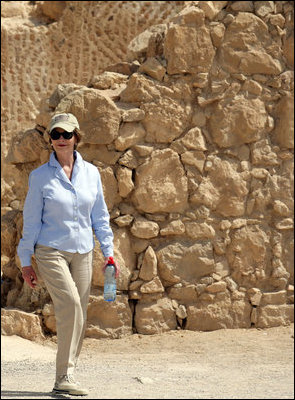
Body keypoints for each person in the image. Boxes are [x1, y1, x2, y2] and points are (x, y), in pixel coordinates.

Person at [17, 112, 119, 396]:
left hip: (84, 250)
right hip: (50, 250)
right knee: (71, 305)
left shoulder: (92, 174)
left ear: (76, 138)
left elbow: (100, 217)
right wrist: (26, 261)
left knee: (80, 314)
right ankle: (62, 377)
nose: (61, 139)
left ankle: (68, 374)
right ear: (50, 139)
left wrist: (109, 254)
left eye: (67, 134)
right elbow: (32, 220)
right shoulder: (39, 177)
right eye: (55, 134)